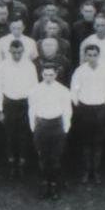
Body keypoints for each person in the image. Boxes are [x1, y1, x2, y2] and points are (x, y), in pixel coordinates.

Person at [67, 40, 105, 184]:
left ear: (98, 56)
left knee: (98, 141)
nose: (92, 57)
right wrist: (78, 104)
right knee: (86, 142)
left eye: (95, 55)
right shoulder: (80, 71)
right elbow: (73, 90)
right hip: (85, 109)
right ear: (85, 56)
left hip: (100, 108)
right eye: (89, 55)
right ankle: (87, 171)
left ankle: (96, 171)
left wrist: (104, 102)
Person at [0, 36, 38, 177]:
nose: (17, 55)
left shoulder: (30, 66)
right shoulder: (2, 65)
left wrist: (34, 109)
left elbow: (34, 88)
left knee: (24, 135)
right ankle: (12, 163)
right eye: (14, 52)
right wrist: (0, 110)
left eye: (19, 52)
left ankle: (22, 163)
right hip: (9, 104)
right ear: (9, 51)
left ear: (23, 51)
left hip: (25, 104)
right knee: (10, 135)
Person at [28, 62, 72, 198]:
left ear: (56, 75)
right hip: (41, 126)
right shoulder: (35, 90)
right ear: (41, 74)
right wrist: (33, 127)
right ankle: (44, 185)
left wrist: (65, 128)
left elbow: (67, 110)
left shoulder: (63, 90)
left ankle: (53, 186)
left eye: (51, 75)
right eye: (45, 75)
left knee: (55, 158)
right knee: (43, 157)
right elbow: (32, 110)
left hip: (57, 126)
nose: (48, 78)